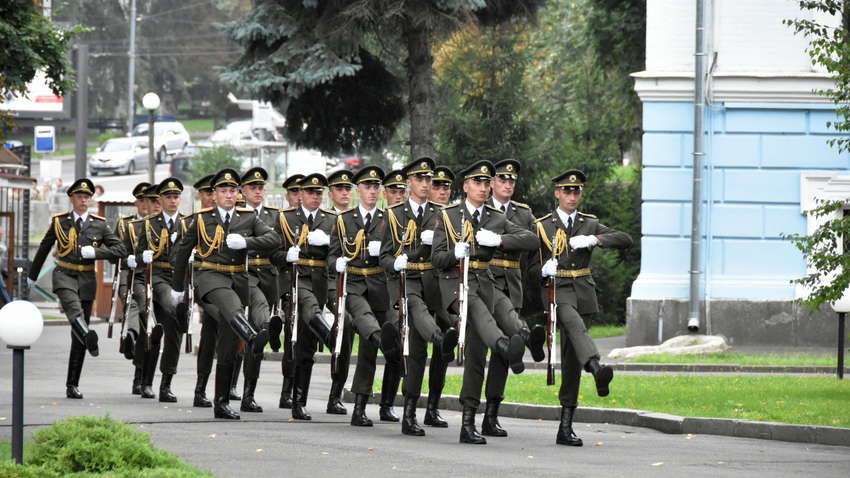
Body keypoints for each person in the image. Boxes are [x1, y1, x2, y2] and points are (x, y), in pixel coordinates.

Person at [431, 160, 538, 445]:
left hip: (483, 281)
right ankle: (505, 345)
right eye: (476, 183)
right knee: (479, 308)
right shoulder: (449, 215)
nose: (481, 187)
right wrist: (455, 252)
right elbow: (436, 260)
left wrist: (500, 239)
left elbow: (531, 239)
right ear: (465, 186)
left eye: (485, 183)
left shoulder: (494, 216)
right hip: (455, 285)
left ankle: (468, 424)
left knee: (477, 356)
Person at [530, 169, 632, 446]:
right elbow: (527, 265)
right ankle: (597, 367)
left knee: (572, 359)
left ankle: (565, 427)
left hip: (584, 293)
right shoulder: (542, 225)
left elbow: (625, 239)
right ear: (557, 193)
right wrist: (542, 270)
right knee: (573, 325)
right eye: (567, 191)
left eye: (576, 191)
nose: (572, 196)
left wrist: (596, 239)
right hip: (557, 292)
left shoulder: (590, 223)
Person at [171, 168, 280, 419]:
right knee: (232, 308)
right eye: (223, 191)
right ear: (215, 194)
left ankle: (221, 403)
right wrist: (178, 291)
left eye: (232, 190)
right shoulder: (200, 219)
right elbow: (181, 255)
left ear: (237, 193)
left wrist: (248, 243)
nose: (228, 195)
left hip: (238, 278)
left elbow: (274, 239)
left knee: (229, 344)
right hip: (210, 278)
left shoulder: (248, 218)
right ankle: (254, 337)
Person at [379, 157, 459, 436]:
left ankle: (431, 408)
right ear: (409, 182)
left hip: (436, 281)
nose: (426, 184)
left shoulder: (443, 213)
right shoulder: (393, 215)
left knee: (433, 353)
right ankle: (409, 414)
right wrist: (396, 262)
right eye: (420, 179)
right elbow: (384, 257)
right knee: (419, 342)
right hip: (408, 281)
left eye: (429, 179)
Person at [28, 178, 126, 399]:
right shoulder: (59, 221)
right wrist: (32, 276)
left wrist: (97, 253)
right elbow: (44, 247)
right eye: (80, 196)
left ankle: (72, 384)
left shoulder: (99, 224)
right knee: (73, 310)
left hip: (86, 277)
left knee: (77, 337)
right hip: (64, 273)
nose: (84, 200)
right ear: (72, 198)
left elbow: (120, 249)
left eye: (87, 197)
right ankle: (87, 334)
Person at [328, 166, 401, 426]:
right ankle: (359, 407)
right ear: (358, 190)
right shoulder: (343, 220)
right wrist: (337, 262)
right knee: (367, 325)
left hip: (381, 285)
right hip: (355, 283)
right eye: (367, 187)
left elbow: (395, 253)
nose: (372, 192)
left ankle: (386, 405)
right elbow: (332, 256)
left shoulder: (389, 219)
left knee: (384, 347)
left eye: (375, 188)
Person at [481, 159, 546, 437]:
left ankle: (491, 414)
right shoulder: (480, 210)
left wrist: (543, 274)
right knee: (489, 347)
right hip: (485, 283)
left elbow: (533, 244)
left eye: (512, 181)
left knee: (503, 354)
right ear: (492, 183)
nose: (508, 184)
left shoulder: (523, 213)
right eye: (502, 180)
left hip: (513, 286)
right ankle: (528, 336)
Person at [279, 173, 337, 420]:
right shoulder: (285, 218)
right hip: (297, 281)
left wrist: (329, 242)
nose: (315, 197)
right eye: (311, 193)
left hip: (319, 282)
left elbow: (342, 249)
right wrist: (285, 256)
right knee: (310, 310)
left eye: (319, 193)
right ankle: (331, 337)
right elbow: (272, 251)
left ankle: (299, 401)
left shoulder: (331, 219)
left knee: (306, 347)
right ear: (300, 195)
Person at [132, 178, 189, 402]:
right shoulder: (149, 224)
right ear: (161, 200)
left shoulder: (188, 223)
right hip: (156, 277)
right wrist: (141, 257)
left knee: (172, 335)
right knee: (153, 330)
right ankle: (145, 381)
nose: (173, 201)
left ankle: (166, 385)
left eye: (176, 197)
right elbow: (136, 258)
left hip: (179, 277)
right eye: (168, 197)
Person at [238, 167, 284, 413]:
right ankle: (269, 326)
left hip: (268, 277)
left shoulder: (274, 216)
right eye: (253, 188)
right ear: (242, 191)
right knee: (259, 319)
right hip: (245, 277)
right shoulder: (236, 215)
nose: (258, 191)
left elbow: (277, 247)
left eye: (260, 188)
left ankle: (249, 395)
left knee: (255, 341)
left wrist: (289, 256)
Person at [421, 164, 455, 427]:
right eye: (438, 186)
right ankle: (407, 404)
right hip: (420, 287)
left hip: (444, 289)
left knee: (444, 350)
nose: (443, 191)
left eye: (447, 187)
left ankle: (432, 407)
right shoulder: (418, 214)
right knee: (417, 350)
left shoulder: (455, 215)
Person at [323, 169, 356, 415]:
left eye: (348, 189)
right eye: (340, 189)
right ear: (331, 193)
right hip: (330, 283)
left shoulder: (357, 218)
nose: (345, 193)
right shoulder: (325, 219)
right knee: (344, 327)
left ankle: (337, 393)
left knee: (348, 332)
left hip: (357, 284)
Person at [126, 185, 163, 399]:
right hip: (140, 279)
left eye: (158, 201)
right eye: (151, 201)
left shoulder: (173, 224)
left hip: (163, 281)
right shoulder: (135, 226)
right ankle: (139, 376)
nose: (155, 205)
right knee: (147, 325)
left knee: (155, 332)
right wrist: (133, 259)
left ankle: (146, 379)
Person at [114, 181, 150, 392]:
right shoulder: (125, 225)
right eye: (142, 200)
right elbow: (117, 252)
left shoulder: (157, 224)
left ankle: (132, 337)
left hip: (152, 278)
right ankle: (131, 335)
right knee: (133, 301)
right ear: (136, 202)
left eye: (150, 200)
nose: (146, 204)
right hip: (131, 275)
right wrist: (130, 260)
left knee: (148, 330)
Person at [190, 174, 218, 408]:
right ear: (200, 196)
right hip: (202, 284)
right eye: (206, 193)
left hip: (227, 284)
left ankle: (228, 387)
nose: (210, 198)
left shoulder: (226, 221)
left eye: (213, 193)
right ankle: (201, 387)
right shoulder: (194, 221)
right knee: (210, 333)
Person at [276, 174, 303, 409]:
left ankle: (299, 391)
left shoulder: (316, 219)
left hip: (311, 284)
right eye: (293, 193)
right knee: (292, 338)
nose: (297, 197)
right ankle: (287, 390)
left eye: (300, 192)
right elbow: (273, 254)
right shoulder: (282, 219)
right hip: (287, 284)